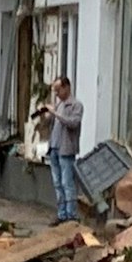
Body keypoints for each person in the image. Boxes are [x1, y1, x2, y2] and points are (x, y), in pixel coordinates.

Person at [38, 76, 84, 224]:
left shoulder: (76, 105)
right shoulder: (58, 105)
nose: (56, 94)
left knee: (67, 183)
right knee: (57, 183)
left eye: (58, 90)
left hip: (66, 149)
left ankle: (71, 214)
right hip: (54, 148)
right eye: (55, 91)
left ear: (66, 87)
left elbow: (72, 123)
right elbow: (49, 123)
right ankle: (61, 214)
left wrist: (55, 113)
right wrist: (44, 114)